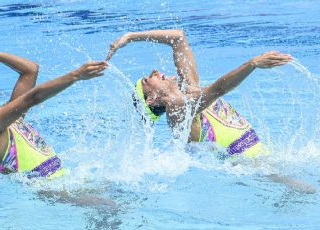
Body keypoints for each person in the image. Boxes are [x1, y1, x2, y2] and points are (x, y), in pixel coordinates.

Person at [106, 29, 293, 159]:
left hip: (260, 154)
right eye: (148, 79)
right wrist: (252, 64)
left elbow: (178, 38)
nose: (154, 71)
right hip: (246, 166)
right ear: (152, 99)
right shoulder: (177, 110)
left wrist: (131, 37)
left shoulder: (190, 90)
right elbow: (219, 89)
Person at [0, 47, 108, 179]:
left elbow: (30, 70)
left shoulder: (6, 121)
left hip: (62, 181)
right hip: (53, 191)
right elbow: (32, 98)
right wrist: (76, 75)